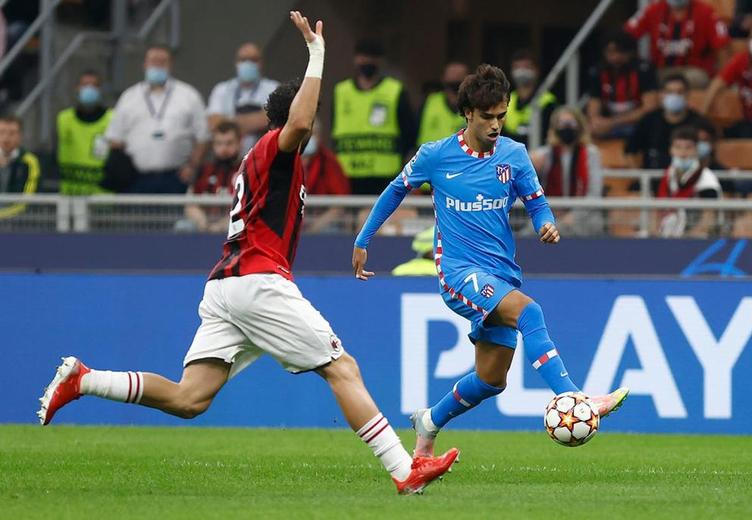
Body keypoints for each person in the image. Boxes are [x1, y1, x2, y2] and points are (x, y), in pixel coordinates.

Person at [38, 12, 458, 496]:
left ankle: (83, 379)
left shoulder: (263, 160)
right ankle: (405, 470)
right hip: (258, 281)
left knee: (189, 398)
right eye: (309, 117)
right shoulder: (273, 149)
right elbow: (299, 121)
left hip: (228, 287)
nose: (310, 126)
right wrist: (317, 56)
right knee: (343, 368)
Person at [352, 64, 629, 457]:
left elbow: (536, 201)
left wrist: (546, 224)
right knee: (529, 314)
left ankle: (428, 422)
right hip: (458, 273)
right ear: (468, 113)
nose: (496, 124)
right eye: (487, 117)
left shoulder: (514, 155)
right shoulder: (436, 155)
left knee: (490, 379)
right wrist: (363, 238)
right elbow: (395, 190)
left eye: (502, 115)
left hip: (500, 273)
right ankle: (575, 396)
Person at [105, 45, 209, 193]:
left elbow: (203, 137)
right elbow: (115, 139)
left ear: (171, 65)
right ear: (145, 65)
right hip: (136, 179)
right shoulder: (129, 97)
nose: (158, 65)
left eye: (163, 62)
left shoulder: (189, 96)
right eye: (154, 61)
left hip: (175, 178)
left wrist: (192, 166)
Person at [331, 39, 417, 194]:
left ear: (380, 61)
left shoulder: (395, 90)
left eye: (371, 57)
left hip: (386, 177)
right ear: (355, 59)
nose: (367, 62)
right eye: (363, 57)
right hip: (348, 176)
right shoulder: (341, 92)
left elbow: (409, 133)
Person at [530, 106, 604, 236]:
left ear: (580, 127)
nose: (567, 127)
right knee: (529, 231)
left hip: (584, 218)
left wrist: (573, 216)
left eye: (572, 123)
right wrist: (532, 165)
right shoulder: (545, 154)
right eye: (563, 124)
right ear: (555, 127)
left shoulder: (591, 154)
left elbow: (594, 193)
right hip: (551, 215)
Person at [624, 0, 730, 88]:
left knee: (688, 82)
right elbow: (625, 35)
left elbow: (722, 46)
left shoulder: (707, 12)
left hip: (693, 71)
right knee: (641, 77)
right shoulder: (653, 9)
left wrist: (720, 80)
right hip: (660, 71)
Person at [625, 73, 712, 169]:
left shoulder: (699, 122)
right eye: (669, 92)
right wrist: (641, 178)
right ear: (661, 94)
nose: (674, 96)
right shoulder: (648, 120)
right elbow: (630, 151)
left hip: (689, 177)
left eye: (680, 92)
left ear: (687, 94)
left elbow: (706, 154)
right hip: (654, 178)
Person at [207, 42, 280, 153]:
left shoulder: (274, 88)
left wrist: (229, 122)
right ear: (236, 63)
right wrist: (258, 120)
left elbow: (272, 119)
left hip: (264, 156)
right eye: (243, 59)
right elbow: (214, 122)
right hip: (230, 158)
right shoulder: (222, 89)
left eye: (253, 59)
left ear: (261, 63)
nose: (248, 63)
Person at [586, 30, 658, 139]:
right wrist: (596, 121)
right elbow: (594, 103)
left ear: (630, 52)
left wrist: (613, 122)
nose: (615, 57)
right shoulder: (598, 71)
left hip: (635, 123)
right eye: (609, 52)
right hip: (608, 122)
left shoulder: (644, 70)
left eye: (619, 52)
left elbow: (649, 108)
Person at [656, 125, 722, 237]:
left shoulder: (706, 178)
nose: (682, 153)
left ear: (697, 150)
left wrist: (688, 240)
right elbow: (658, 213)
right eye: (678, 147)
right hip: (668, 237)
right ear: (670, 150)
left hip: (695, 241)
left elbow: (709, 217)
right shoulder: (667, 177)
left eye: (688, 147)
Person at [56, 70, 113, 195]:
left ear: (100, 90)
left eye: (94, 85)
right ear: (77, 88)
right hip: (70, 194)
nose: (89, 89)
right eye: (85, 85)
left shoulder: (112, 119)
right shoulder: (63, 119)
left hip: (101, 196)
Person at [182, 120, 242, 233]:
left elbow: (248, 209)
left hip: (233, 228)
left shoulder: (247, 171)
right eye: (219, 144)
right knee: (183, 226)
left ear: (239, 143)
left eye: (229, 143)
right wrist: (202, 222)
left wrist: (222, 226)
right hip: (204, 226)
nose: (224, 149)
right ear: (213, 145)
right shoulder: (203, 171)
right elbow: (190, 205)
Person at [701, 24, 752, 138]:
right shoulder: (742, 60)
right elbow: (717, 83)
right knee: (724, 134)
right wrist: (703, 114)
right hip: (749, 121)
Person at [502, 49, 557, 146]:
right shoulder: (506, 100)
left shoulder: (548, 101)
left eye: (526, 67)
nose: (521, 71)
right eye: (517, 67)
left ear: (536, 71)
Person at [417, 62, 468, 145]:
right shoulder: (430, 102)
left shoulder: (477, 106)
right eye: (452, 73)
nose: (455, 76)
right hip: (431, 157)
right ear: (443, 79)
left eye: (459, 75)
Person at [0, 115, 40, 219]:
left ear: (20, 136)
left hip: (20, 224)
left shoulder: (30, 161)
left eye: (12, 133)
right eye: (2, 132)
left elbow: (28, 200)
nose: (6, 138)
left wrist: (3, 216)